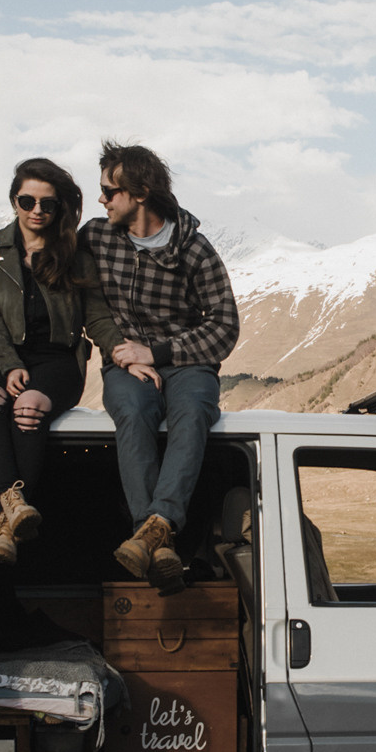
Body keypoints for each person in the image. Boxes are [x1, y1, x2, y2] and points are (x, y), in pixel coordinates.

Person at [82, 142, 240, 593]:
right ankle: (161, 539)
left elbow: (225, 327)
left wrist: (158, 353)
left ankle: (152, 529)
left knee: (192, 413)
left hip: (185, 361)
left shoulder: (194, 249)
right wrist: (121, 353)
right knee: (132, 413)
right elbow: (73, 291)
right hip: (124, 363)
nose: (103, 200)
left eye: (110, 192)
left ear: (141, 192)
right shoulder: (96, 237)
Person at [0, 157, 129, 565]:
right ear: (14, 201)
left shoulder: (74, 253)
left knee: (28, 404)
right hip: (6, 354)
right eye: (27, 200)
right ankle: (11, 503)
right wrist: (6, 363)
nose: (36, 210)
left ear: (59, 208)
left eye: (47, 203)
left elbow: (96, 317)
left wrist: (122, 353)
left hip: (58, 360)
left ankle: (5, 526)